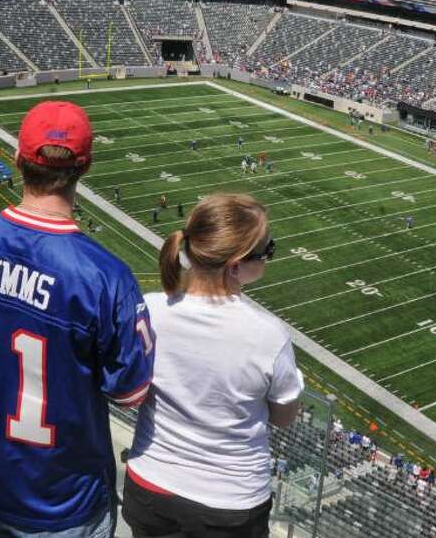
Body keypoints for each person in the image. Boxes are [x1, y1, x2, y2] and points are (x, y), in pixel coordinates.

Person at [0, 101, 154, 537]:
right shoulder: (104, 277)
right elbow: (130, 392)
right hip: (61, 500)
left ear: (17, 159)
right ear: (85, 167)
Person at [123, 194, 303, 538]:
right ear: (235, 266)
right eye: (266, 251)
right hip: (228, 504)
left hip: (150, 486)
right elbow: (283, 418)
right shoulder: (267, 334)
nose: (268, 258)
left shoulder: (149, 308)